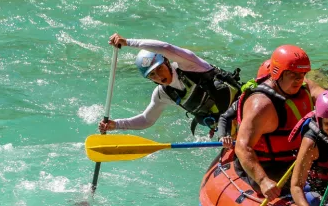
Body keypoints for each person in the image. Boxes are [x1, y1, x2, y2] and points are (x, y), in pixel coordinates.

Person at [99, 34, 241, 137]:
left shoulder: (190, 65)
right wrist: (116, 124)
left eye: (159, 68)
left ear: (166, 61)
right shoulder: (162, 94)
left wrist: (128, 42)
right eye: (152, 75)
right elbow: (147, 119)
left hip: (242, 108)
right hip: (228, 127)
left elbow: (166, 47)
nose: (159, 76)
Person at [234, 45, 322, 201]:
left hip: (297, 160)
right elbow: (242, 147)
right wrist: (263, 180)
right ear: (278, 73)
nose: (299, 79)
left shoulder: (305, 87)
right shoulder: (261, 105)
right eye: (293, 74)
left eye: (302, 74)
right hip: (270, 168)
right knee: (315, 195)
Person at [217, 59, 271, 149]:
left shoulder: (293, 97)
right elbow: (224, 117)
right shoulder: (249, 98)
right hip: (250, 148)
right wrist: (223, 136)